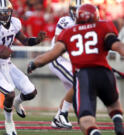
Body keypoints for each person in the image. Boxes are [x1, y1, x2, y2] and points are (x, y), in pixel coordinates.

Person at [27, 4, 124, 135]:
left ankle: (91, 131)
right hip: (104, 72)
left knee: (85, 119)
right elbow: (117, 45)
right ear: (96, 16)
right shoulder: (104, 26)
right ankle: (118, 121)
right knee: (113, 104)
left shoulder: (69, 32)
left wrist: (34, 63)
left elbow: (53, 53)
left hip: (83, 75)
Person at [0, 0, 46, 135]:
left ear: (11, 12)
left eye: (6, 12)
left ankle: (17, 102)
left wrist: (36, 41)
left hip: (7, 64)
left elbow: (25, 40)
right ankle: (9, 123)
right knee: (9, 93)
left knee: (31, 92)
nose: (4, 15)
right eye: (1, 13)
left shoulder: (15, 23)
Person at [49, 0, 83, 129]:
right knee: (79, 83)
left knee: (72, 90)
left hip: (71, 61)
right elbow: (58, 44)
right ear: (71, 10)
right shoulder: (66, 21)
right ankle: (62, 115)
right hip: (59, 58)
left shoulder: (88, 23)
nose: (79, 13)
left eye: (81, 10)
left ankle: (59, 118)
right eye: (76, 10)